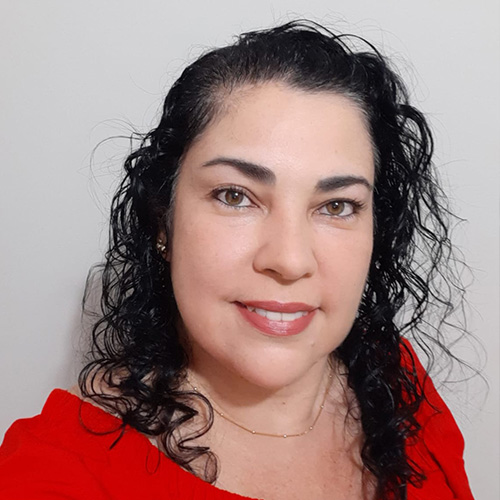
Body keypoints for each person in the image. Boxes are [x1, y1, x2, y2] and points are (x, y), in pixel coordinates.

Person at [0, 20, 474, 500]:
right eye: (235, 196)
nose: (289, 260)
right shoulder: (54, 473)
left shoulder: (393, 379)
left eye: (336, 206)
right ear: (163, 221)